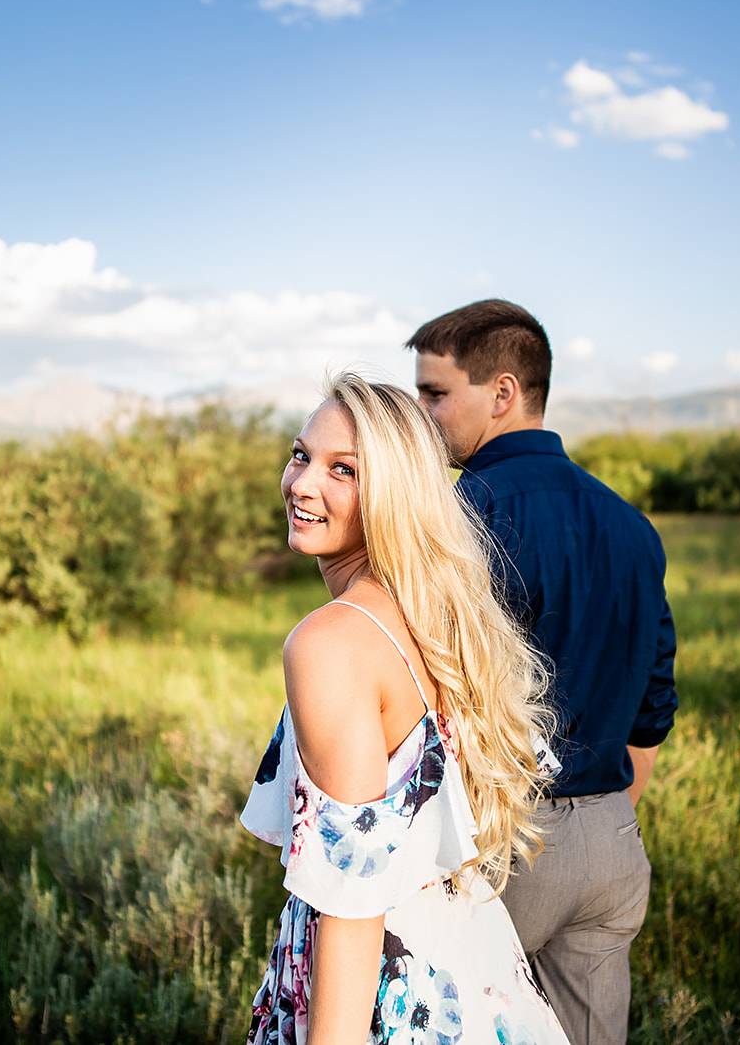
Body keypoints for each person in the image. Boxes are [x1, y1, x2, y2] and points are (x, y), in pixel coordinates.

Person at [242, 373, 570, 1045]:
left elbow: (354, 902)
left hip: (393, 1001)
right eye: (301, 454)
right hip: (475, 973)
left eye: (344, 470)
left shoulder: (330, 642)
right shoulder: (436, 619)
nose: (302, 484)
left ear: (393, 492)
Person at [408, 300, 678, 1044]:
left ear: (502, 393)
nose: (422, 413)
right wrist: (600, 813)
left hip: (501, 846)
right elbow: (654, 706)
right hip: (611, 841)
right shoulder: (629, 522)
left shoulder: (458, 517)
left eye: (435, 394)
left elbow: (422, 689)